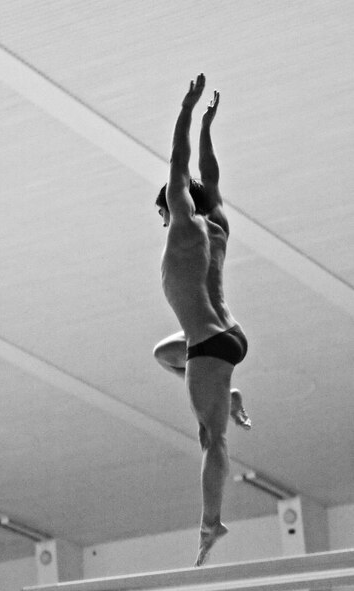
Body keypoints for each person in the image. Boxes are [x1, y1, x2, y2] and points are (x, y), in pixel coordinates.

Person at [153, 73, 250, 566]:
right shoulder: (218, 224)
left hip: (210, 344)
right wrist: (209, 125)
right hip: (225, 335)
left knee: (212, 439)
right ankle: (226, 392)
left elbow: (180, 164)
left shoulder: (185, 226)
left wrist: (188, 110)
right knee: (164, 353)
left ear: (172, 206)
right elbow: (207, 175)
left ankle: (212, 524)